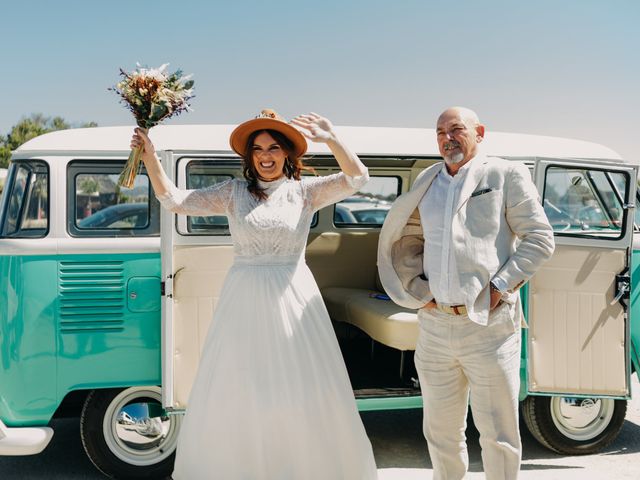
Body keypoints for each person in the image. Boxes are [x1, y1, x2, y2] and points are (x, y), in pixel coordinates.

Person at [131, 110, 378, 479]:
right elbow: (175, 200)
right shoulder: (232, 193)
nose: (265, 155)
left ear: (287, 155)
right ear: (249, 157)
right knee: (242, 384)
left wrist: (331, 138)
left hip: (292, 296)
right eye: (258, 148)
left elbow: (358, 178)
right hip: (243, 297)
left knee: (300, 385)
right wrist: (149, 157)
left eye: (274, 147)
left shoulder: (305, 192)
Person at [377, 107, 555, 479]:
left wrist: (499, 288)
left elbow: (540, 239)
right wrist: (418, 292)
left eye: (457, 129)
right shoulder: (427, 180)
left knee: (499, 435)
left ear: (480, 133)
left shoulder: (505, 174)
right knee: (440, 433)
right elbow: (409, 240)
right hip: (435, 327)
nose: (447, 138)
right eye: (440, 132)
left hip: (489, 327)